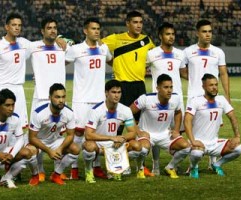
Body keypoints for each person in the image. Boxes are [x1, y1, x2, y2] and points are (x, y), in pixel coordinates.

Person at [102, 11, 155, 176]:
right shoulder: (116, 39)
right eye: (135, 22)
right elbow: (100, 49)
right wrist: (115, 64)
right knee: (117, 127)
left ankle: (141, 165)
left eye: (140, 22)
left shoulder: (147, 40)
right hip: (122, 86)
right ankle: (113, 165)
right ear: (127, 23)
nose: (138, 25)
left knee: (139, 126)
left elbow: (154, 57)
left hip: (139, 86)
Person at [0, 13, 30, 182]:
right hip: (0, 90)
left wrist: (60, 40)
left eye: (19, 25)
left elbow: (42, 47)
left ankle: (11, 164)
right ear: (6, 27)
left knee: (18, 130)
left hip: (18, 90)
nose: (17, 27)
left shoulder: (24, 44)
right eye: (14, 25)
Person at [65, 17, 112, 179]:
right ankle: (74, 168)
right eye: (93, 29)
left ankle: (96, 167)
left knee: (96, 134)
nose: (97, 31)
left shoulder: (104, 49)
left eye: (98, 29)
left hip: (99, 100)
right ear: (85, 31)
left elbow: (111, 61)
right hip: (81, 100)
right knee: (78, 134)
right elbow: (61, 63)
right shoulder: (76, 49)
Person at [183, 19, 230, 169]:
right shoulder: (188, 51)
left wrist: (227, 96)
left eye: (210, 31)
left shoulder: (218, 52)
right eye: (204, 31)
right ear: (197, 33)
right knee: (193, 129)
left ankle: (212, 161)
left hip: (213, 97)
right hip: (194, 97)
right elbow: (182, 71)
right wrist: (194, 79)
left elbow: (223, 73)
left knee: (214, 127)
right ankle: (194, 163)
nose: (208, 34)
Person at [29, 17, 69, 182]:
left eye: (54, 28)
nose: (52, 30)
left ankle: (58, 170)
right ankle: (40, 170)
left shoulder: (63, 46)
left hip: (58, 97)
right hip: (40, 97)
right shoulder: (33, 46)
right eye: (49, 28)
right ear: (42, 31)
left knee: (59, 132)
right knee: (38, 135)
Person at [130, 74, 191, 179]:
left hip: (165, 134)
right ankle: (140, 169)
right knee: (143, 149)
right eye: (166, 87)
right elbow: (128, 113)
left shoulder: (176, 98)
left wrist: (176, 130)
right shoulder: (146, 99)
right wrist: (138, 132)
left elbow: (178, 112)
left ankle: (170, 167)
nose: (169, 90)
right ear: (158, 88)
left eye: (171, 87)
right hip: (147, 134)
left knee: (186, 147)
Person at [146, 22, 187, 175]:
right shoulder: (151, 53)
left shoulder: (180, 54)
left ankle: (173, 164)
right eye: (167, 34)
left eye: (173, 34)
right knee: (156, 132)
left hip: (177, 99)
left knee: (177, 132)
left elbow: (183, 73)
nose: (171, 37)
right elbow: (140, 69)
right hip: (157, 100)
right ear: (160, 36)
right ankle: (155, 164)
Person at [83, 80, 143, 183]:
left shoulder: (125, 110)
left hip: (115, 144)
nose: (117, 95)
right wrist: (111, 138)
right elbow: (88, 135)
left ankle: (116, 168)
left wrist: (122, 139)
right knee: (89, 147)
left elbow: (132, 132)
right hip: (99, 144)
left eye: (119, 92)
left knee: (137, 146)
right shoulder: (96, 110)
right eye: (113, 92)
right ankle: (89, 171)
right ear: (106, 93)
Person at [184, 74, 241, 178]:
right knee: (197, 154)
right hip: (198, 143)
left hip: (214, 143)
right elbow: (187, 121)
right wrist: (192, 140)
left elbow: (232, 117)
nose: (214, 87)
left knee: (239, 148)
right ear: (203, 87)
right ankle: (193, 167)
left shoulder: (221, 100)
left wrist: (237, 136)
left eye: (216, 84)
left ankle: (216, 164)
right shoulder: (195, 101)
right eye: (211, 85)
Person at [28, 83, 80, 185]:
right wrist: (49, 151)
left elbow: (70, 135)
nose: (61, 100)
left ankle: (56, 174)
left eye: (63, 97)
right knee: (30, 152)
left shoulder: (69, 113)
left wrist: (60, 149)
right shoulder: (38, 113)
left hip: (54, 140)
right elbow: (32, 138)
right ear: (50, 98)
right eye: (57, 97)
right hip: (38, 140)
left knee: (76, 149)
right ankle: (35, 175)